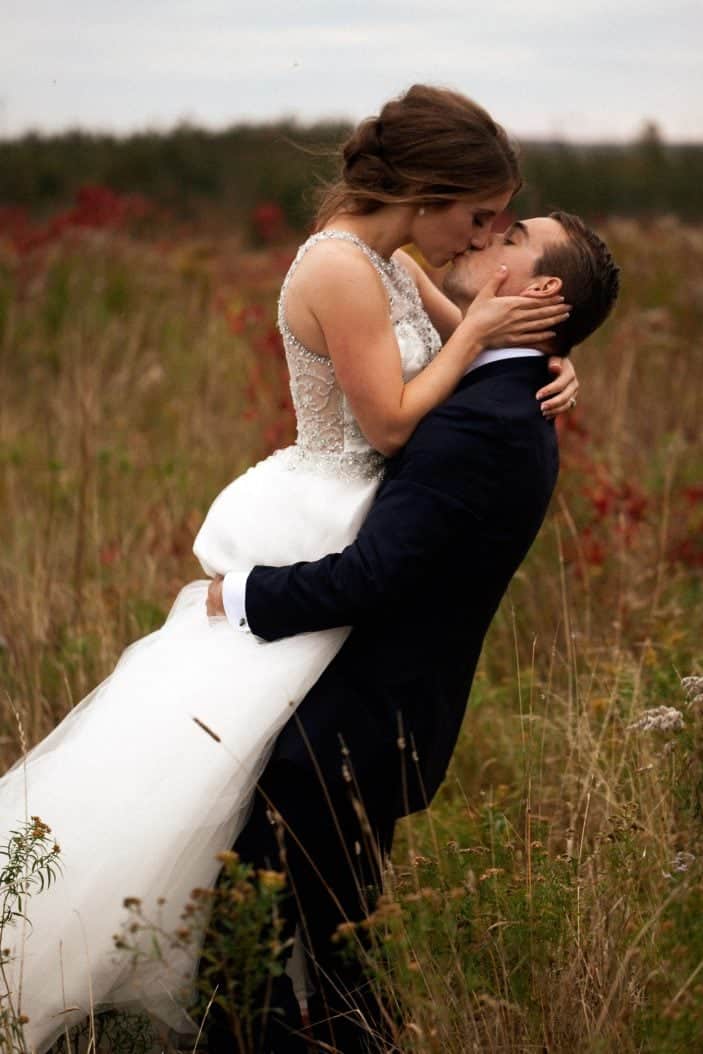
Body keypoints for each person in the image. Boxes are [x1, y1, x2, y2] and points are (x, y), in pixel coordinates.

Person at [0, 85, 579, 1053]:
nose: (477, 237)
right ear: (430, 191)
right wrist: (478, 335)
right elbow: (394, 417)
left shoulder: (393, 257)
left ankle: (281, 982)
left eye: (494, 223)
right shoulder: (340, 266)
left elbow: (466, 339)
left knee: (271, 763)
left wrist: (547, 360)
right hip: (319, 508)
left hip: (363, 507)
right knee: (219, 753)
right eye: (477, 215)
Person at [204, 209, 620, 1053]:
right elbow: (387, 242)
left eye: (508, 236)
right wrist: (549, 347)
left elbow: (378, 576)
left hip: (347, 733)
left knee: (257, 961)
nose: (482, 234)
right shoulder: (503, 384)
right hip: (368, 723)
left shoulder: (490, 418)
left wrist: (242, 594)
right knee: (326, 958)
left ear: (535, 287)